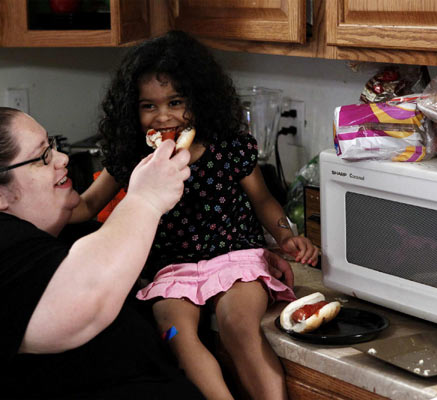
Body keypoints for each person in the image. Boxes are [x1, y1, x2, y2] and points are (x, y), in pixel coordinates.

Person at [0, 107, 208, 399]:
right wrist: (145, 199)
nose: (62, 158)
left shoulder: (45, 238)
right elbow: (84, 304)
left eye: (52, 145)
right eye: (42, 157)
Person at [71, 31, 319, 400]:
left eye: (175, 101)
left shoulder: (228, 146)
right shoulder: (130, 156)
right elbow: (88, 206)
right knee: (175, 334)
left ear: (198, 100)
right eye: (148, 106)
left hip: (235, 258)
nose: (164, 116)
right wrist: (33, 212)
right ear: (131, 110)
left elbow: (264, 201)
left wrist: (286, 235)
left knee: (239, 328)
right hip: (171, 269)